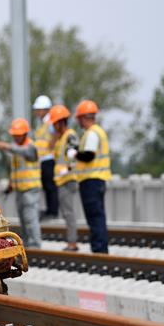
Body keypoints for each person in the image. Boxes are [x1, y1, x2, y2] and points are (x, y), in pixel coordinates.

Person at [0, 119, 42, 249]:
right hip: (20, 189)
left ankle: (35, 245)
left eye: (18, 134)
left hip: (30, 189)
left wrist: (7, 147)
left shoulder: (30, 147)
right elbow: (16, 169)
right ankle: (27, 245)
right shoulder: (16, 150)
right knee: (23, 219)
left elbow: (25, 153)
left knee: (30, 218)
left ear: (25, 134)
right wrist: (11, 183)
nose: (15, 137)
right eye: (14, 135)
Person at [71, 100, 111, 253]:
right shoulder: (97, 132)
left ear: (83, 118)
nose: (78, 121)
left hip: (91, 181)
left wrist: (75, 153)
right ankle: (100, 249)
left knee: (94, 217)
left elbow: (88, 156)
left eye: (79, 118)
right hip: (97, 180)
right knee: (98, 216)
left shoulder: (92, 133)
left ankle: (99, 250)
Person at [49, 104, 79, 251]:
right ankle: (71, 241)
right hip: (62, 180)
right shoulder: (61, 138)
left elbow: (74, 157)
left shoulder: (70, 136)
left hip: (68, 179)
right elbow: (51, 149)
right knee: (67, 212)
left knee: (68, 212)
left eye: (55, 123)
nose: (53, 127)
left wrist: (66, 170)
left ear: (61, 122)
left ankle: (72, 243)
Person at [32, 95, 59, 220]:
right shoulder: (42, 124)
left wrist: (51, 145)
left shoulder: (50, 122)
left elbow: (56, 133)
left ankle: (53, 211)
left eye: (38, 109)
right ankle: (50, 210)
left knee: (50, 186)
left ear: (45, 109)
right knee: (46, 185)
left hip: (49, 158)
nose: (36, 112)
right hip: (43, 159)